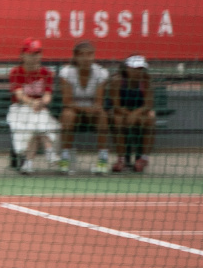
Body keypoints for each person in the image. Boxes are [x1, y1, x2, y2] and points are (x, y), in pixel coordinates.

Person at [56, 41, 112, 174]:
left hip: (92, 113)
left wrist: (93, 109)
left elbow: (99, 101)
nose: (87, 58)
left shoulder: (101, 73)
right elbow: (67, 101)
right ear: (75, 57)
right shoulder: (66, 72)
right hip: (74, 111)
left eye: (90, 54)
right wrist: (84, 109)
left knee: (103, 115)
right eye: (82, 55)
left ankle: (102, 159)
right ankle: (65, 158)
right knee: (68, 115)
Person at [8, 38, 59, 175]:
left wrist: (41, 103)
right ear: (23, 55)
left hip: (39, 109)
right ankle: (49, 151)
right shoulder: (16, 72)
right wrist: (33, 103)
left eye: (37, 53)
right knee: (36, 124)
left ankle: (28, 163)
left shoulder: (47, 73)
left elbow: (48, 96)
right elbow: (19, 95)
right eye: (31, 53)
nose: (35, 57)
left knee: (38, 121)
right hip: (19, 110)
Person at [107, 54, 155, 173]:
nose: (138, 72)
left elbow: (148, 104)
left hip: (139, 112)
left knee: (151, 118)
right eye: (134, 69)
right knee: (117, 120)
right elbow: (116, 105)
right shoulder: (116, 80)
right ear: (127, 68)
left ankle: (143, 159)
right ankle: (121, 159)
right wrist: (128, 114)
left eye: (140, 69)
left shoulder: (145, 80)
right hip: (120, 112)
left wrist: (135, 114)